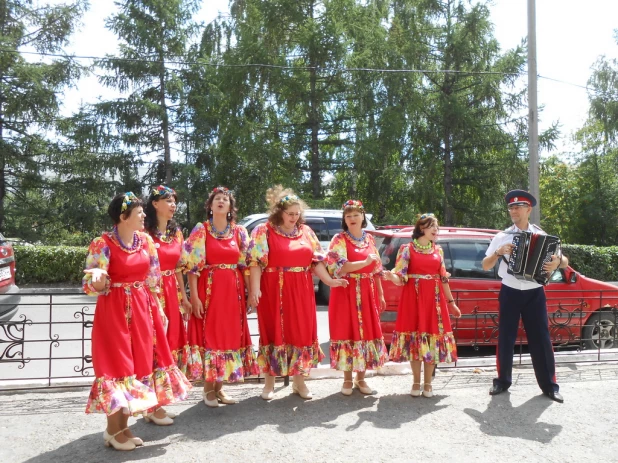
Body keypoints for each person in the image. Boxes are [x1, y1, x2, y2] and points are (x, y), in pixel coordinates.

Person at [83, 192, 191, 451]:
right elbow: (91, 284)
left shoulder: (145, 241)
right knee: (117, 366)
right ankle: (112, 429)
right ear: (123, 217)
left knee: (138, 366)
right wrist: (98, 279)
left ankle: (123, 426)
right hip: (115, 310)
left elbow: (153, 278)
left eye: (144, 211)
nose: (144, 215)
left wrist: (159, 309)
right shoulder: (103, 243)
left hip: (144, 308)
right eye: (139, 212)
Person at [248, 186, 349, 401]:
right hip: (273, 288)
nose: (294, 218)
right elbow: (255, 263)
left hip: (301, 289)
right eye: (290, 214)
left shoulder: (306, 232)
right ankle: (269, 383)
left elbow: (316, 262)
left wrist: (329, 281)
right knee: (272, 333)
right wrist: (255, 289)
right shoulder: (263, 231)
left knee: (300, 333)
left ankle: (299, 383)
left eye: (297, 214)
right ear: (279, 213)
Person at [481, 189, 568, 403]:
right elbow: (485, 265)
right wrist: (498, 252)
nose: (513, 211)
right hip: (510, 290)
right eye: (511, 207)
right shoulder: (502, 236)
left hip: (534, 292)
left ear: (528, 209)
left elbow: (563, 260)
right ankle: (502, 381)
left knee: (541, 339)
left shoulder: (542, 234)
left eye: (518, 207)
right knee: (506, 337)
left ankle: (549, 386)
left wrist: (558, 262)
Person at [183, 186, 259, 407]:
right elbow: (192, 267)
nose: (221, 201)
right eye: (217, 198)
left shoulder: (239, 232)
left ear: (230, 207)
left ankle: (219, 387)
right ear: (210, 205)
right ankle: (208, 389)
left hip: (233, 292)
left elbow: (246, 265)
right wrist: (194, 297)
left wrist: (248, 293)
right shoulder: (201, 230)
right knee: (211, 335)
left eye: (225, 199)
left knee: (228, 336)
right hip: (210, 289)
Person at [384, 213, 461, 398]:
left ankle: (428, 384)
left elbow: (443, 279)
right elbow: (400, 277)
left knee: (432, 341)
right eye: (431, 226)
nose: (436, 229)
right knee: (415, 342)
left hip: (434, 301)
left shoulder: (438, 250)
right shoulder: (407, 249)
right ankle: (416, 383)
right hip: (413, 300)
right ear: (421, 229)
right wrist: (390, 276)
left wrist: (451, 303)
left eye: (437, 226)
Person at [326, 200, 388, 396]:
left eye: (355, 215)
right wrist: (364, 262)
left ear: (363, 217)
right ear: (344, 219)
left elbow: (377, 268)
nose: (352, 219)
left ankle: (361, 379)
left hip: (367, 290)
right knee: (347, 331)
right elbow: (340, 266)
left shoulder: (369, 239)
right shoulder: (339, 239)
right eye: (348, 215)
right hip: (346, 290)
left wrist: (380, 293)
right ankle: (346, 379)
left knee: (365, 333)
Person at [144, 185, 192, 388]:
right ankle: (152, 399)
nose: (173, 205)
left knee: (171, 338)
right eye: (169, 201)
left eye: (175, 202)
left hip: (172, 289)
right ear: (155, 204)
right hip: (152, 290)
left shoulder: (176, 233)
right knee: (154, 339)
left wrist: (185, 297)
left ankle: (164, 393)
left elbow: (179, 268)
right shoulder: (144, 232)